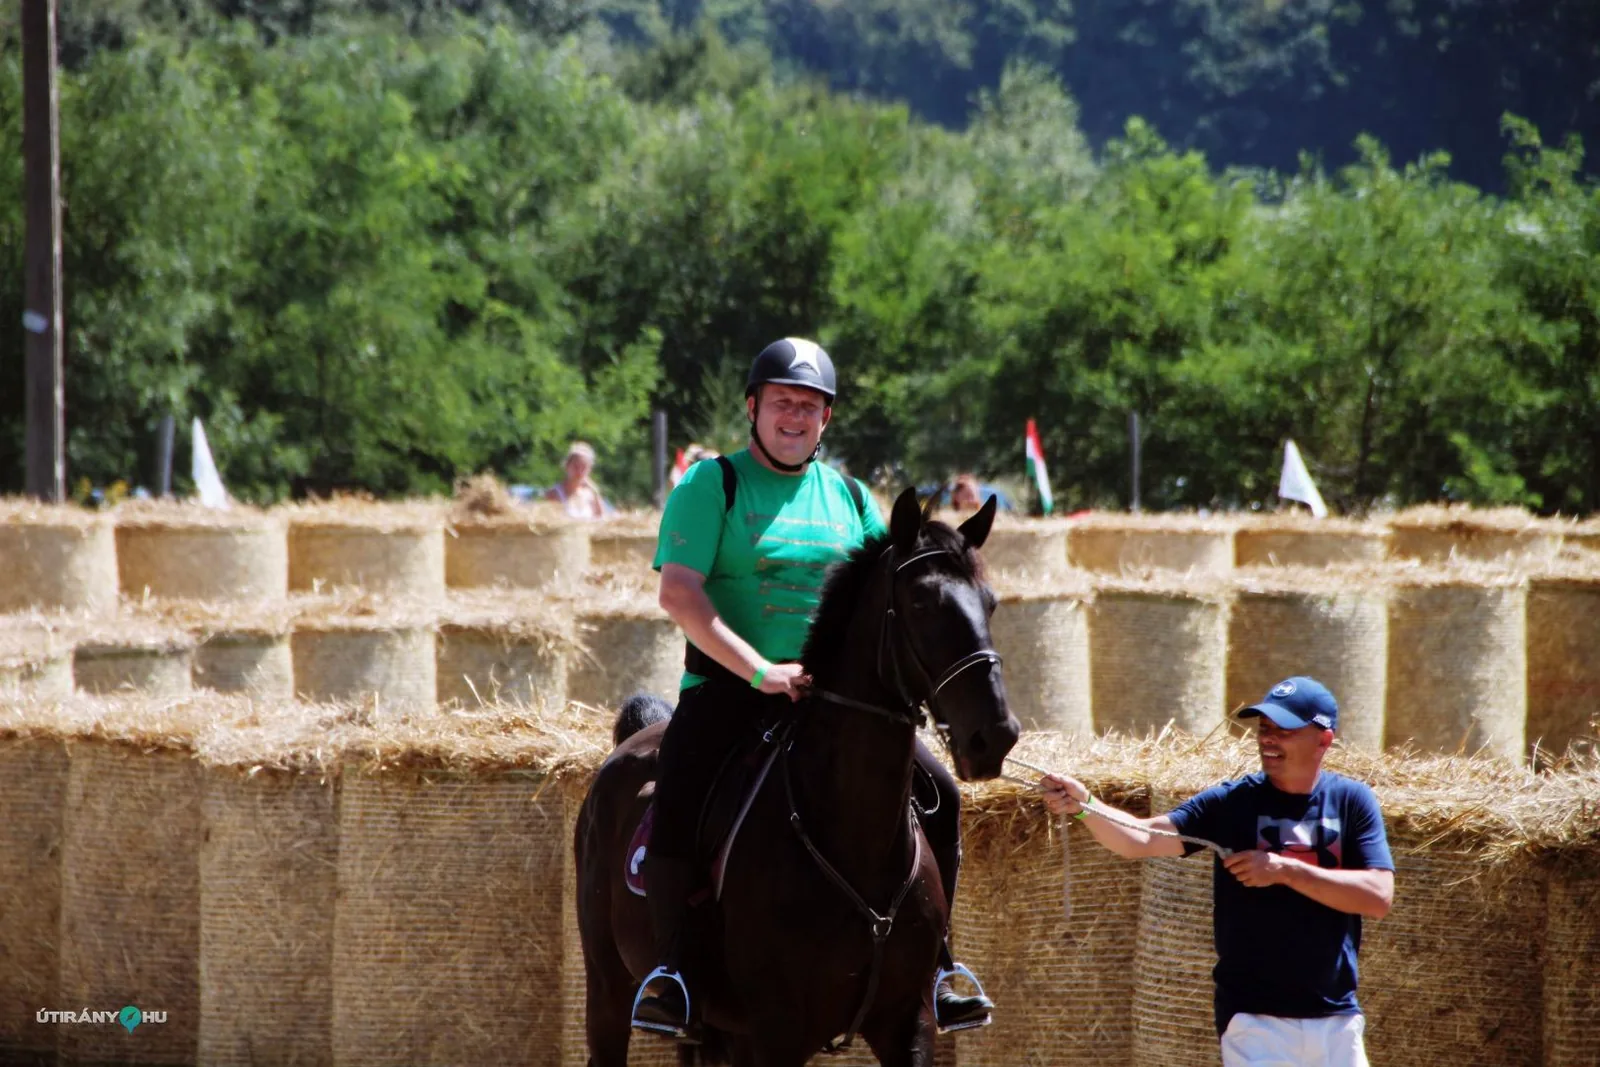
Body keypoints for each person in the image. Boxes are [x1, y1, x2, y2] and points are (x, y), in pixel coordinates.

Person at [633, 337, 994, 1038]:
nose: (795, 416)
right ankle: (671, 969)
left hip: (837, 700)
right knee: (678, 786)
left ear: (826, 419)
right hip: (733, 688)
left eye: (809, 406)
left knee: (941, 794)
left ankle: (940, 960)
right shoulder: (712, 485)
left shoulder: (852, 497)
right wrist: (762, 671)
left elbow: (891, 588)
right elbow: (680, 595)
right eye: (782, 402)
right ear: (752, 407)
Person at [1042, 677, 1394, 1067]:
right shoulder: (1232, 802)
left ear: (1323, 740)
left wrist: (1285, 871)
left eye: (1284, 731)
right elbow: (1140, 840)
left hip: (1338, 1017)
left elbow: (1377, 897)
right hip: (1254, 1021)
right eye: (1264, 730)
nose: (1268, 740)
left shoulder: (1352, 801)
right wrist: (1084, 804)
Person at [545, 441, 610, 520]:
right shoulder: (554, 494)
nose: (579, 471)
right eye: (576, 466)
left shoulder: (591, 495)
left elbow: (603, 520)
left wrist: (595, 491)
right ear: (567, 466)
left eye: (584, 467)